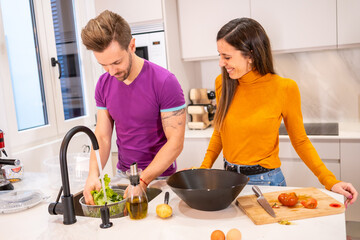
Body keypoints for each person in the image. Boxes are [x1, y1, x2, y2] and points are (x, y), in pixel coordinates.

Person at [200, 18, 357, 207]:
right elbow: (220, 132)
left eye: (227, 57)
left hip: (265, 182)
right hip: (229, 182)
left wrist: (330, 180)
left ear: (250, 54)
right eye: (219, 55)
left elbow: (300, 140)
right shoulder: (222, 83)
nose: (221, 63)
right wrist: (203, 170)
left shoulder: (284, 88)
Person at [81, 10, 186, 205]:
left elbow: (175, 142)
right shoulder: (103, 84)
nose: (111, 71)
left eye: (116, 62)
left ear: (132, 45)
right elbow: (103, 136)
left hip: (159, 179)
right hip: (123, 176)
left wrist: (143, 179)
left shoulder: (165, 82)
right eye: (103, 65)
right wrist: (93, 174)